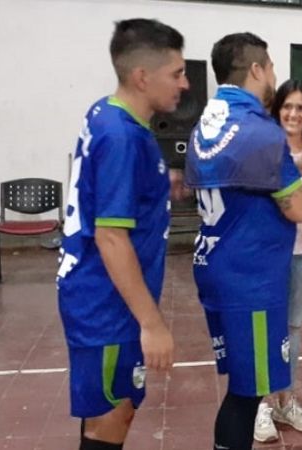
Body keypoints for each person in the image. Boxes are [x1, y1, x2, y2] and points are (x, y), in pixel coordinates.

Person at [185, 32, 302, 450]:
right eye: (272, 65)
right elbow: (296, 208)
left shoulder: (209, 120)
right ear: (256, 68)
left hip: (219, 261)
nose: (274, 72)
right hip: (250, 278)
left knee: (244, 387)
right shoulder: (259, 130)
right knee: (246, 394)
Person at [56, 18, 188, 450]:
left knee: (110, 409)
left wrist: (156, 185)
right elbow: (111, 237)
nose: (184, 84)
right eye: (177, 73)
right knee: (112, 415)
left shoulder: (108, 112)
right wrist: (152, 324)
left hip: (100, 297)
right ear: (142, 76)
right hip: (106, 305)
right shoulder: (122, 137)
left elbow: (102, 191)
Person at [252, 80, 302, 443]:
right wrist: (299, 164)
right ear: (277, 108)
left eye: (301, 108)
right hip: (268, 250)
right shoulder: (264, 146)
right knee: (264, 328)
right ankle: (259, 406)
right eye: (288, 106)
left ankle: (285, 398)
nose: (293, 114)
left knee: (294, 327)